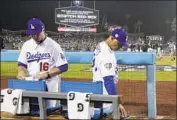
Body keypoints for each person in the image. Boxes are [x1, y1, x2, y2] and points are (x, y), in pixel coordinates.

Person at [17, 18, 68, 107]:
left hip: (50, 85)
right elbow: (22, 64)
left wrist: (47, 74)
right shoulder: (26, 45)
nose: (34, 36)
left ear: (43, 30)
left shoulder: (53, 46)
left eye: (37, 33)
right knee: (32, 110)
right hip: (33, 85)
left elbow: (64, 66)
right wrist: (21, 72)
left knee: (51, 112)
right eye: (32, 34)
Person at [92, 28, 128, 118]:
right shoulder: (106, 54)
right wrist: (117, 103)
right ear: (112, 38)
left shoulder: (101, 45)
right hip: (105, 92)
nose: (120, 47)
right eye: (119, 44)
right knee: (107, 116)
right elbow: (108, 81)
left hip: (98, 88)